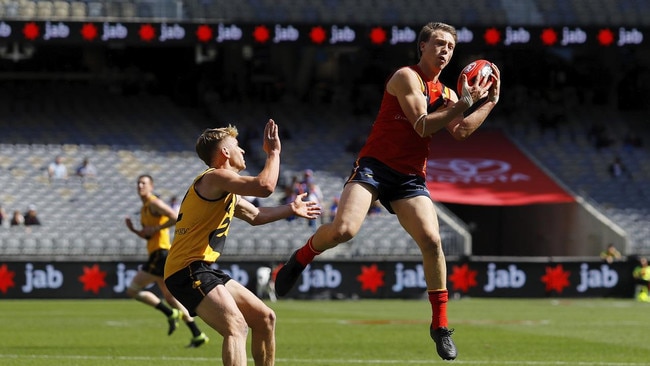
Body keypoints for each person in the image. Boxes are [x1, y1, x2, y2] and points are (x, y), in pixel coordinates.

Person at [274, 22, 500, 361]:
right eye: (439, 43)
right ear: (421, 47)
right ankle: (301, 257)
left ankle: (439, 325)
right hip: (375, 167)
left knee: (433, 240)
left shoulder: (450, 94)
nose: (445, 51)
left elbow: (462, 131)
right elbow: (422, 124)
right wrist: (462, 103)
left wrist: (488, 103)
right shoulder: (406, 77)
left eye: (450, 47)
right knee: (344, 230)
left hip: (409, 177)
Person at [164, 119, 321, 366]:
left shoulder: (223, 188)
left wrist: (291, 207)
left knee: (265, 318)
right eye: (237, 145)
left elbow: (256, 216)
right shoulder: (215, 178)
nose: (244, 150)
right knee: (236, 327)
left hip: (201, 269)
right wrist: (274, 152)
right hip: (187, 270)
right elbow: (265, 186)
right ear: (225, 152)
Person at [124, 174, 209, 348]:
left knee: (133, 290)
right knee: (170, 297)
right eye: (138, 183)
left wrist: (156, 227)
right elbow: (149, 235)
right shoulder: (145, 207)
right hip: (158, 254)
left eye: (144, 183)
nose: (140, 185)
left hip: (161, 254)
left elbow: (174, 216)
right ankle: (197, 334)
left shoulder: (154, 203)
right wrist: (135, 230)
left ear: (151, 187)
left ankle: (169, 313)